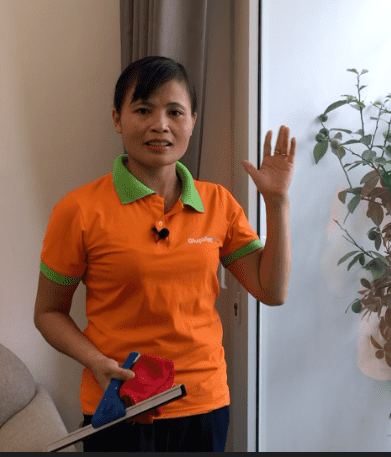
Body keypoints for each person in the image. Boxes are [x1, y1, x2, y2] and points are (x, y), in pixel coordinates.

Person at [34, 56, 295, 452]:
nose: (160, 125)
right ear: (117, 118)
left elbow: (271, 291)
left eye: (175, 112)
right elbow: (48, 312)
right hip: (119, 403)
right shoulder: (79, 210)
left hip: (203, 402)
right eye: (143, 110)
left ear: (192, 120)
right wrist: (96, 362)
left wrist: (276, 203)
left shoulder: (218, 203)